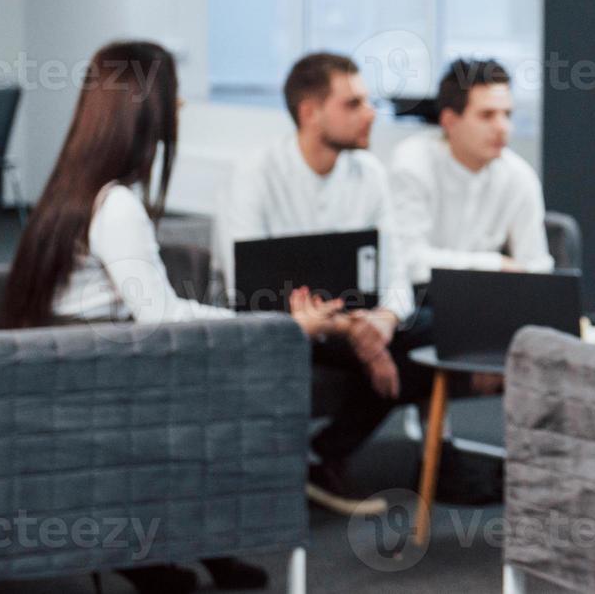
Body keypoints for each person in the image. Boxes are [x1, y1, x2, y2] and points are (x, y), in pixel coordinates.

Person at [0, 42, 339, 594]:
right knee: (229, 389)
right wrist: (274, 328)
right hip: (103, 385)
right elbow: (160, 314)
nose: (179, 110)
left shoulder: (69, 191)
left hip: (72, 380)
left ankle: (182, 552)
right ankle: (197, 546)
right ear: (145, 109)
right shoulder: (117, 206)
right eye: (173, 97)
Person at [221, 52, 429, 517]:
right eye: (353, 103)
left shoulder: (370, 174)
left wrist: (384, 321)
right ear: (311, 113)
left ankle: (321, 455)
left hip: (353, 323)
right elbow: (247, 291)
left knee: (432, 330)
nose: (371, 113)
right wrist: (355, 332)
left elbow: (397, 275)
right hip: (281, 328)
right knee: (367, 344)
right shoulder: (255, 174)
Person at [390, 58, 554, 291]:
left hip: (489, 300)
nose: (503, 127)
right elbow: (408, 261)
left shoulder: (519, 175)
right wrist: (495, 265)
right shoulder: (413, 164)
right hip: (423, 301)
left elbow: (536, 266)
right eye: (487, 115)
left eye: (507, 114)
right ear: (449, 121)